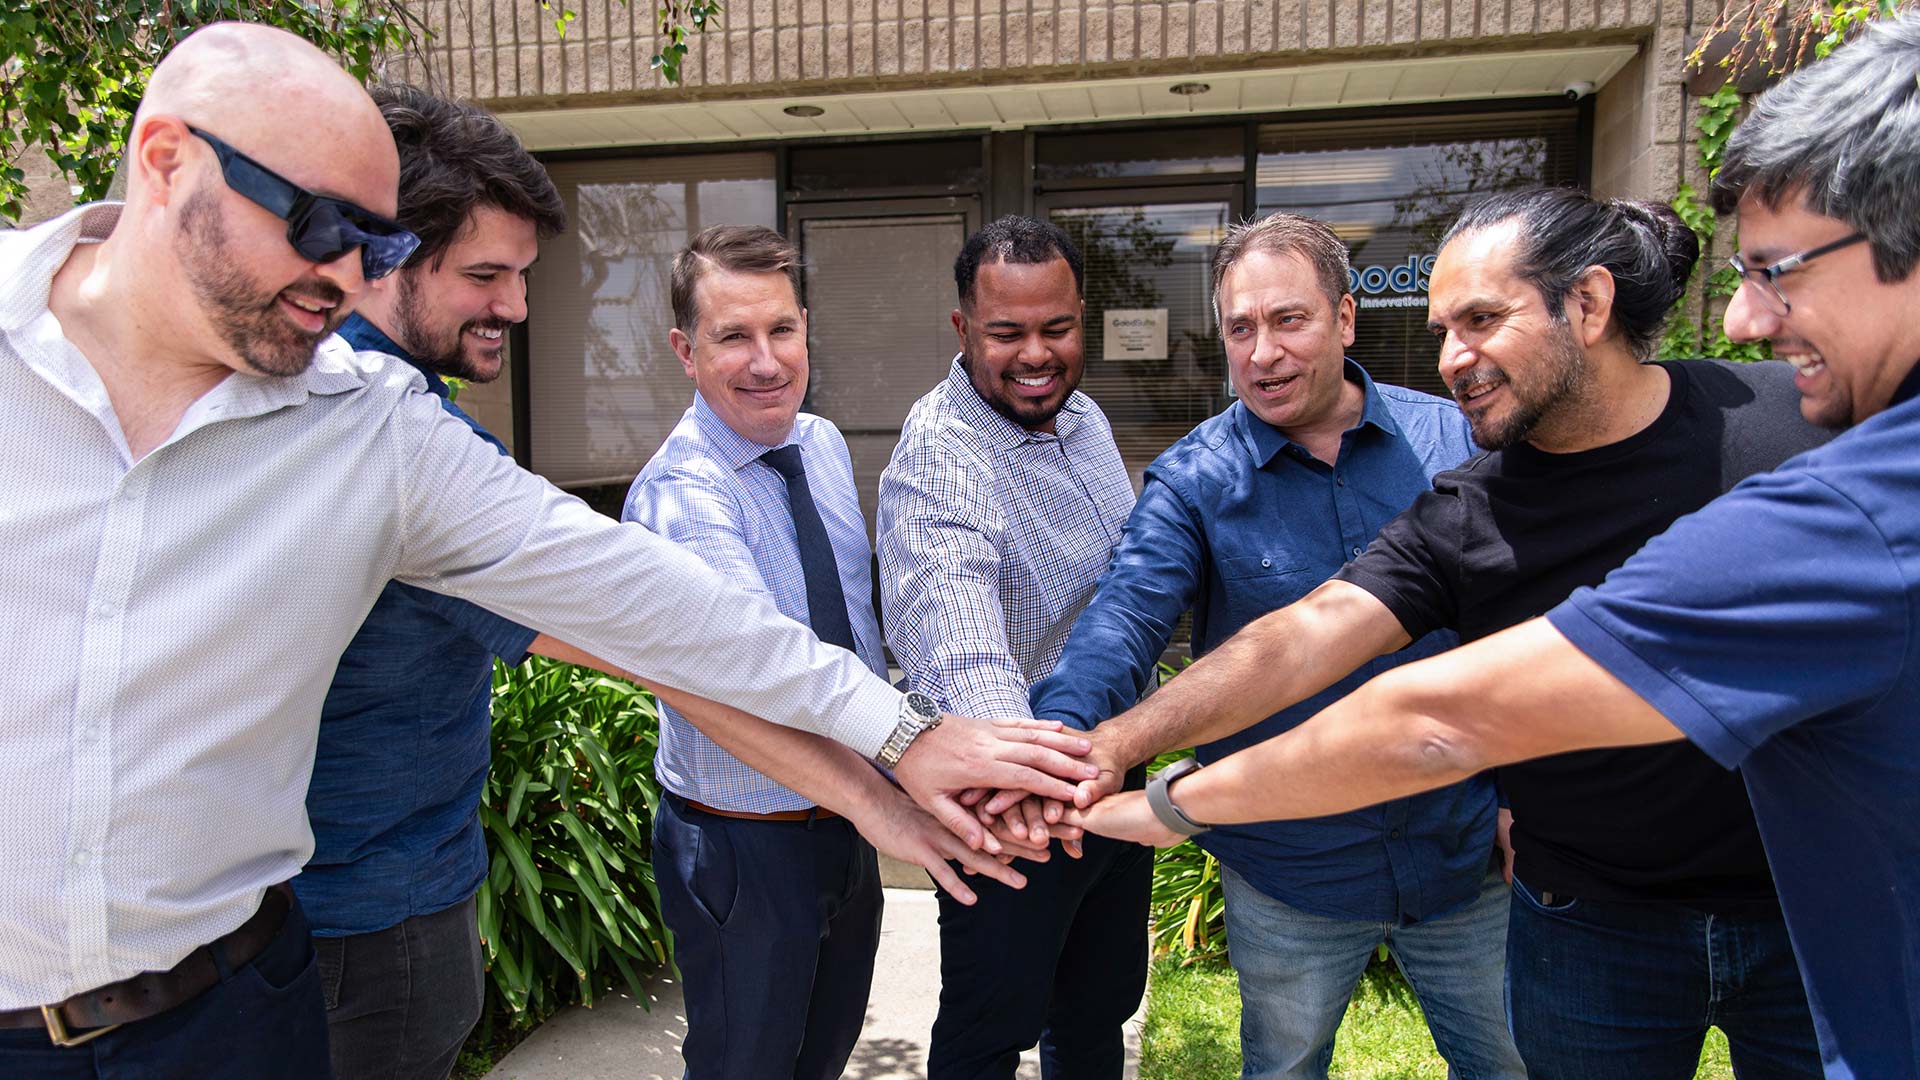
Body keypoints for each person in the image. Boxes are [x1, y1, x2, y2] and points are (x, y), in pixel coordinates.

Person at [0, 24, 1095, 1077]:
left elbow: (661, 610)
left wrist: (900, 740)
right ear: (167, 160)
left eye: (379, 244)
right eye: (322, 226)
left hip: (237, 1004)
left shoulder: (373, 428)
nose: (348, 276)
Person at [1070, 16, 1920, 1077]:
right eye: (1440, 331)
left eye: (1480, 320)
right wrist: (1116, 740)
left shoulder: (1814, 441)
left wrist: (1170, 801)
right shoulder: (1469, 502)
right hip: (1590, 920)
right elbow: (1305, 635)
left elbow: (1437, 722)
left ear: (1588, 304)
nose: (1451, 357)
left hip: (1799, 909)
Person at [1024, 212, 1521, 1080]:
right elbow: (1125, 615)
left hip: (1462, 853)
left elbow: (1524, 629)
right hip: (1288, 870)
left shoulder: (1455, 444)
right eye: (1240, 329)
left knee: (1510, 1066)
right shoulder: (1196, 477)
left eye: (1289, 320)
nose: (1263, 354)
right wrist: (1065, 736)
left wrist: (1526, 796)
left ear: (1345, 318)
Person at [291, 83, 568, 1080]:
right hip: (377, 930)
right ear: (381, 259)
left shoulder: (277, 397)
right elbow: (645, 634)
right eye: (486, 275)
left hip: (276, 920)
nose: (516, 308)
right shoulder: (413, 447)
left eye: (523, 276)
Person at [877, 216, 1148, 1079]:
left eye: (1056, 328)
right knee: (991, 1033)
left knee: (1099, 1006)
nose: (1036, 354)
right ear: (964, 329)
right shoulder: (940, 456)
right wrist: (1031, 789)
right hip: (1009, 807)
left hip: (1110, 763)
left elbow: (1127, 576)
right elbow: (960, 648)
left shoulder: (1085, 417)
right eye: (1007, 333)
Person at [623, 225, 896, 1076]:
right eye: (733, 337)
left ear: (806, 328)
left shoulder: (820, 444)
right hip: (745, 848)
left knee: (823, 1056)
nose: (766, 361)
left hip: (846, 821)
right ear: (686, 350)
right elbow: (764, 665)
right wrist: (914, 746)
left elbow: (857, 625)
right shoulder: (682, 494)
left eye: (781, 329)